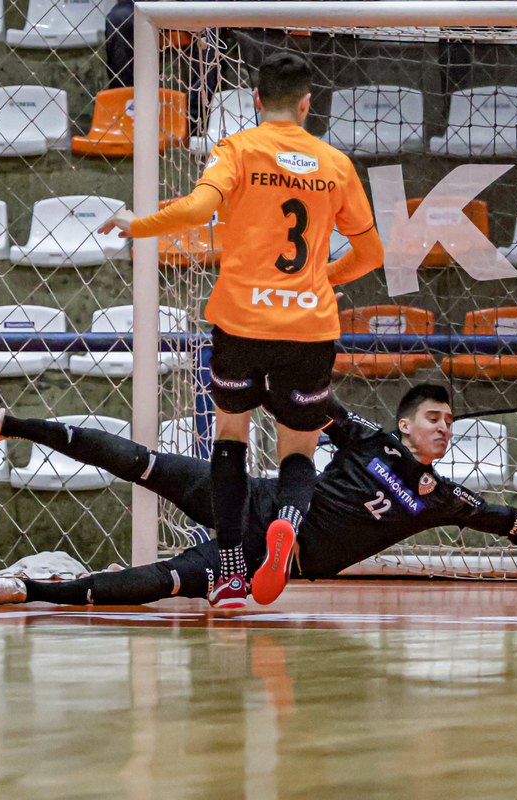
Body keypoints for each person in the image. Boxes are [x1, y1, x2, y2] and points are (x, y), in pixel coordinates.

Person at [98, 53, 385, 608]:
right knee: (298, 447)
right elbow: (371, 252)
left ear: (256, 99)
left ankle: (230, 570)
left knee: (231, 436)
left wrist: (138, 224)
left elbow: (197, 209)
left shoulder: (238, 148)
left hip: (241, 321)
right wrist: (318, 279)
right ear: (307, 104)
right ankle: (287, 523)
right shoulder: (336, 163)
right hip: (308, 325)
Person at [0, 386, 517, 608]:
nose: (444, 429)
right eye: (434, 419)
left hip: (272, 555)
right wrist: (272, 373)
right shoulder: (368, 440)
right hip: (253, 497)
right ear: (404, 425)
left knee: (166, 581)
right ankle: (5, 425)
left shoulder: (442, 498)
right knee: (141, 461)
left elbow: (516, 521)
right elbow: (309, 401)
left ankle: (27, 591)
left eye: (450, 423)